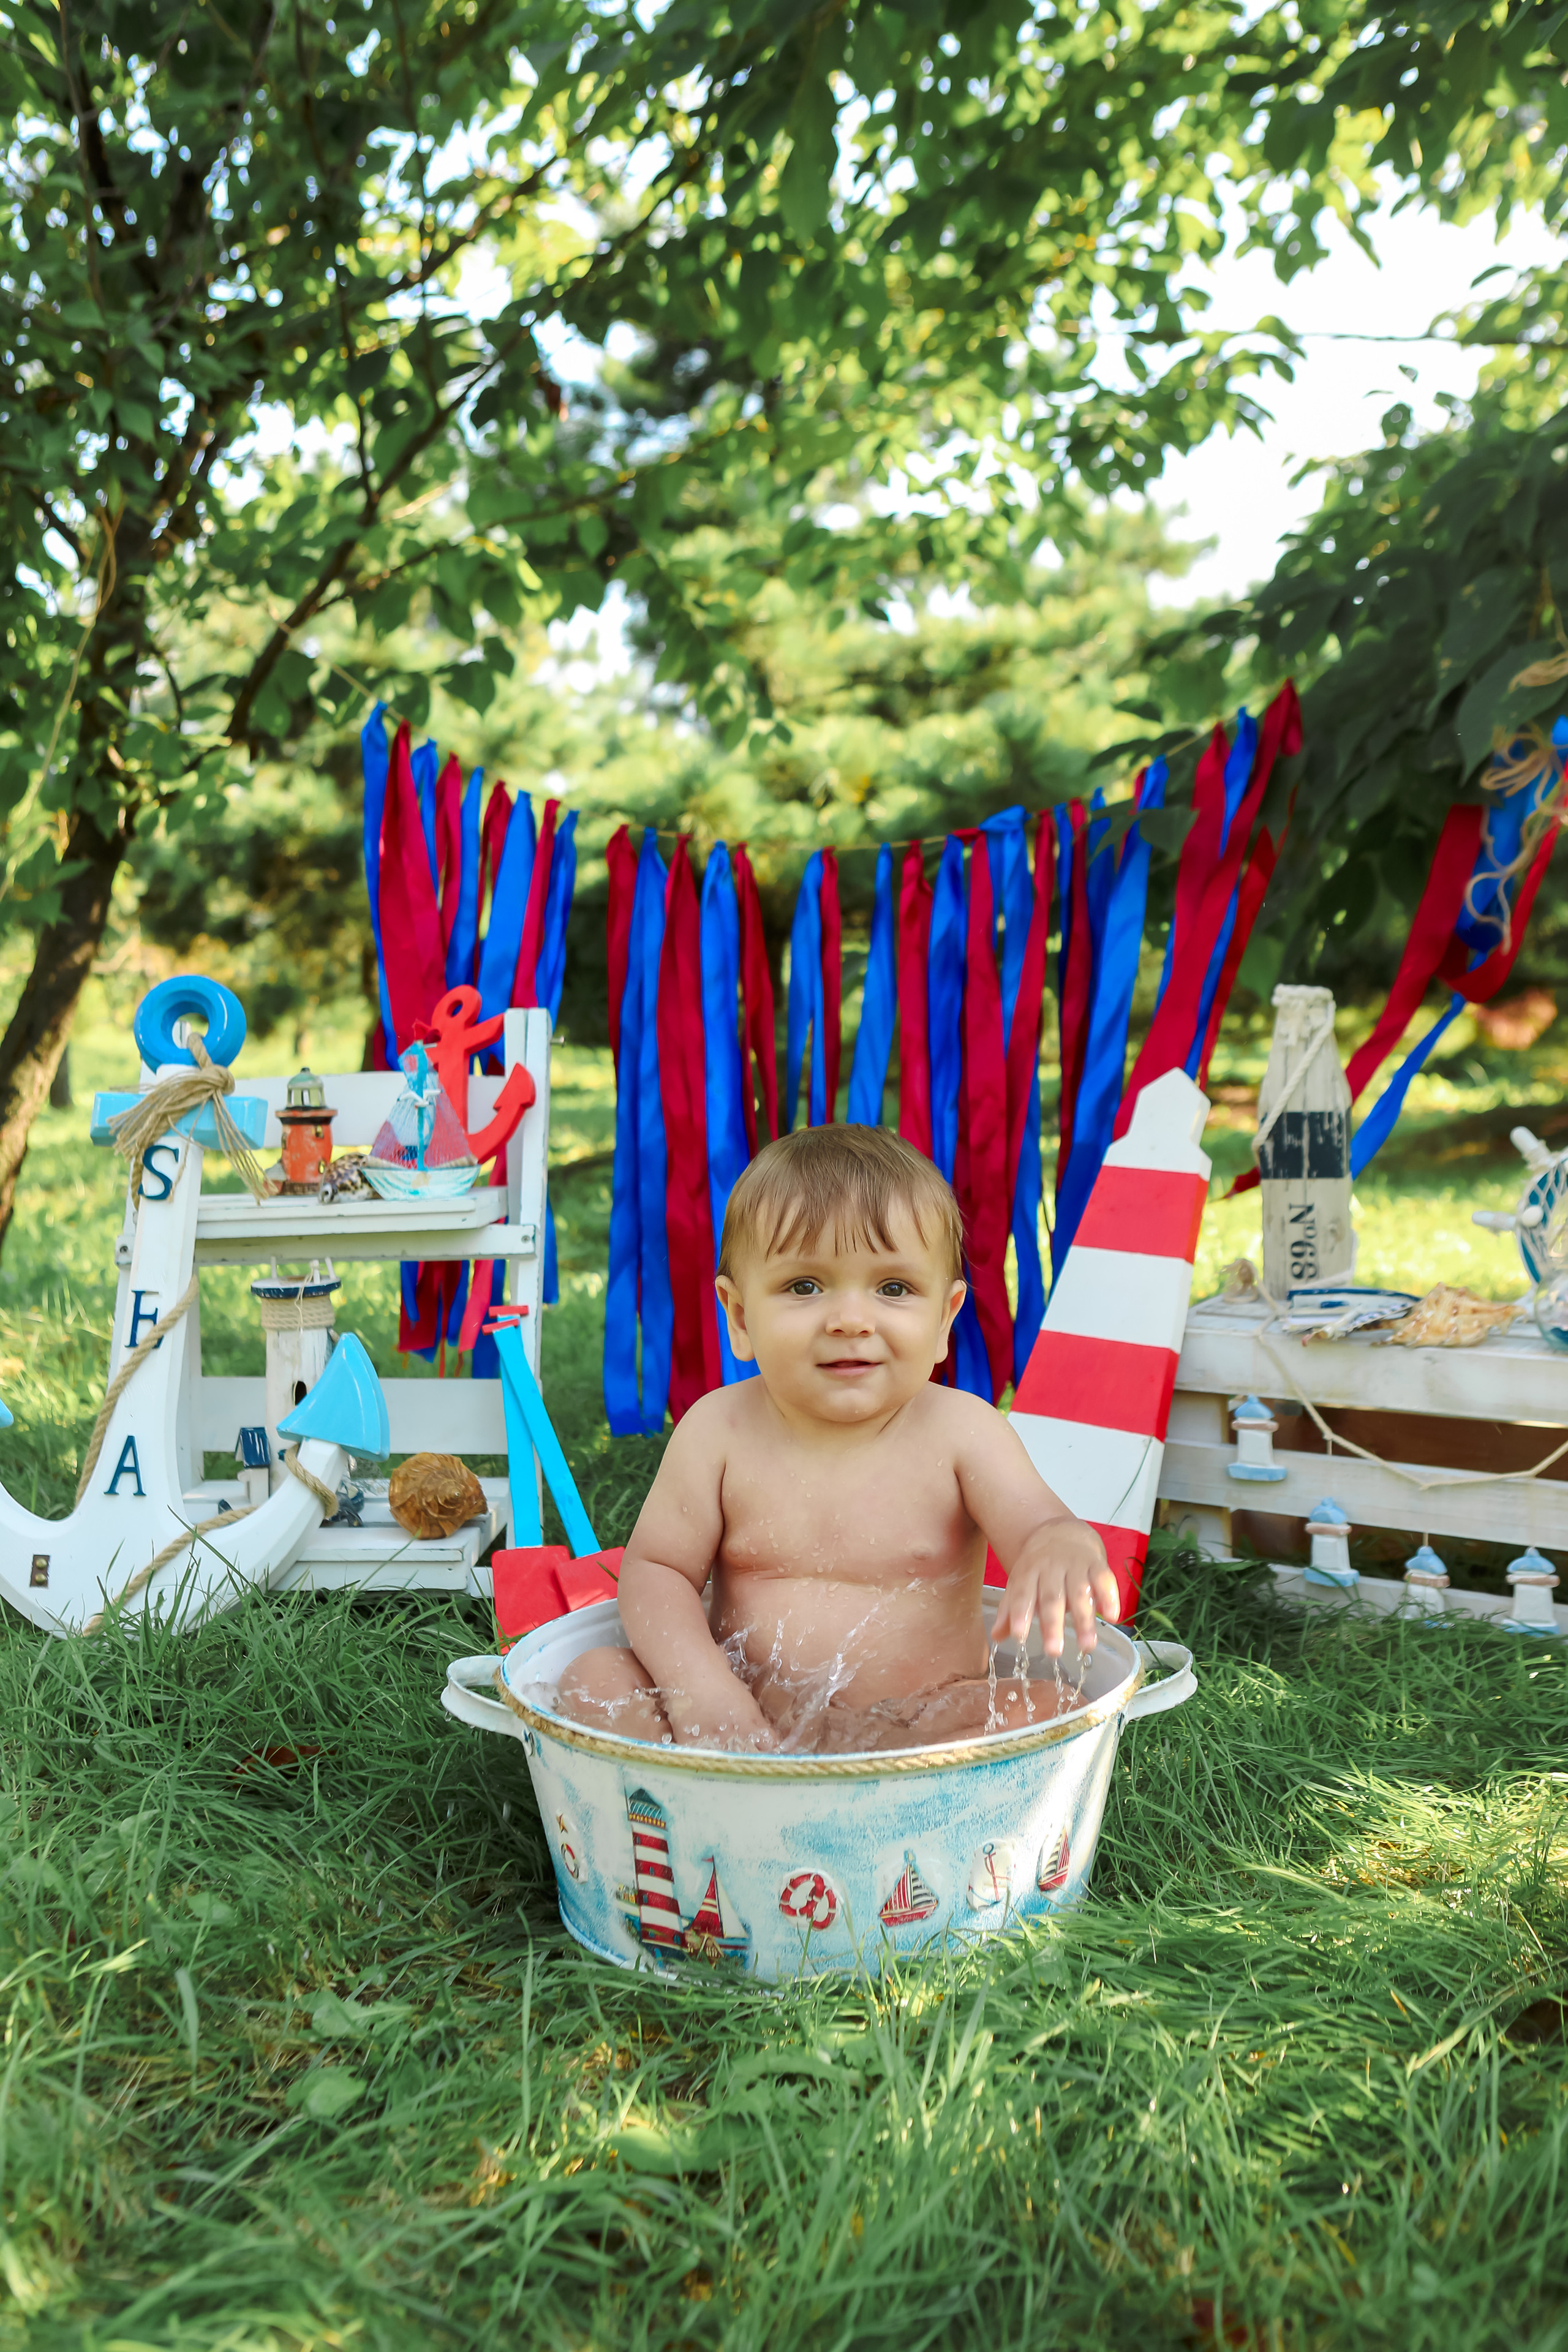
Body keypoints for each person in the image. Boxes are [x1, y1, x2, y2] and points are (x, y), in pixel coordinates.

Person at [557, 1125, 1119, 1752]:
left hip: (921, 1728)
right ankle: (710, 1811)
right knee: (594, 1678)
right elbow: (656, 1571)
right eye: (805, 1286)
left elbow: (1035, 1522)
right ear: (740, 1318)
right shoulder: (718, 1432)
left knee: (1052, 1708)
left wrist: (1059, 1539)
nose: (851, 1320)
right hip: (745, 1717)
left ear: (944, 1319)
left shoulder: (963, 1432)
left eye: (893, 1288)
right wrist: (702, 1690)